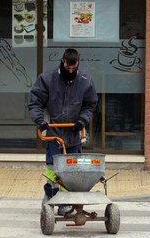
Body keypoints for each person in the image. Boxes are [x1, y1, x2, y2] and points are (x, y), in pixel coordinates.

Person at [28, 48, 98, 215]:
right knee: (53, 167)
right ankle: (50, 195)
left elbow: (90, 105)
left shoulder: (85, 81)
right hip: (54, 132)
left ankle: (66, 201)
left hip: (73, 132)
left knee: (72, 170)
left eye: (74, 68)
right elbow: (35, 102)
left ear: (78, 64)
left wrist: (82, 121)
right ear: (63, 62)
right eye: (68, 67)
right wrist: (41, 122)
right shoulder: (47, 79)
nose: (71, 71)